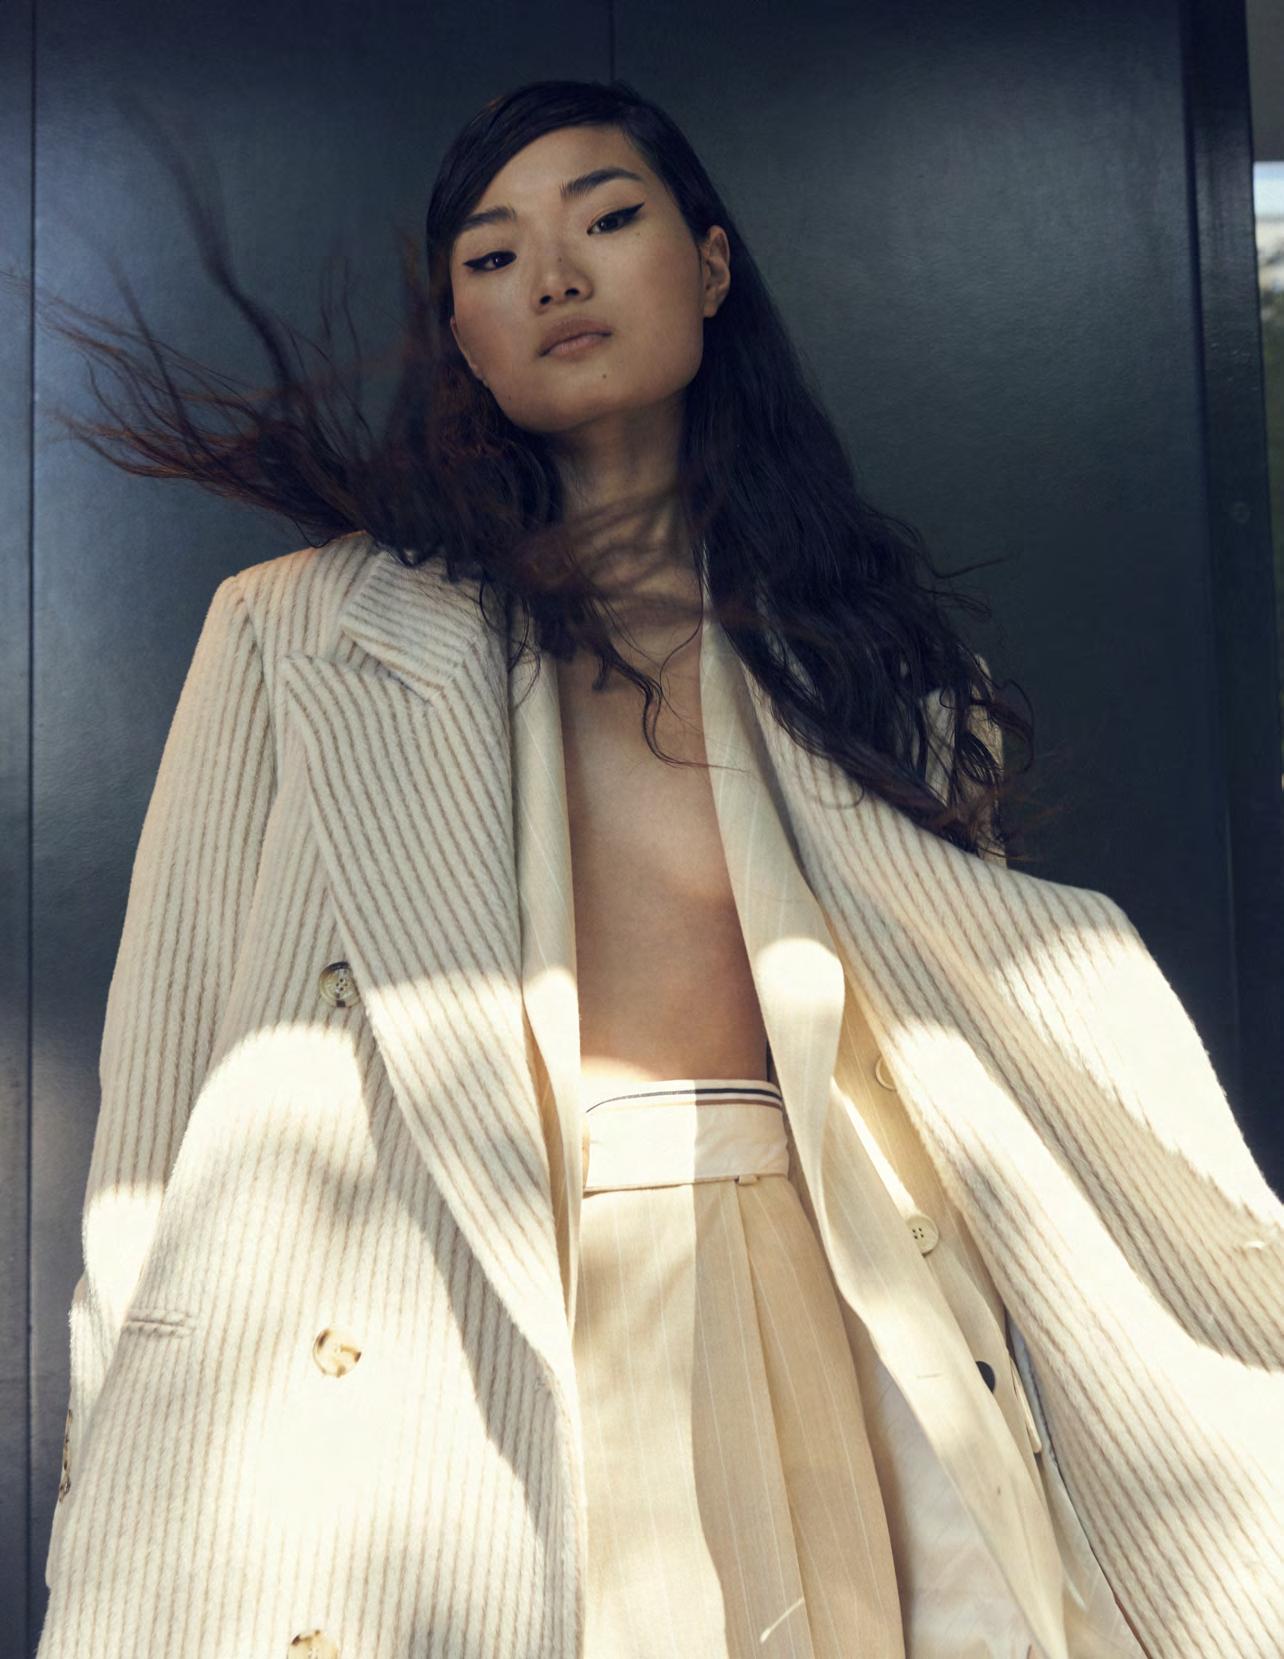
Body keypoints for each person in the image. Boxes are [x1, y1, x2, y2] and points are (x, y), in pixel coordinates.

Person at [29, 78, 1284, 1659]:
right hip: (447, 1313)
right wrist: (121, 1464)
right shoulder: (300, 633)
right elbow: (162, 1088)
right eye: (493, 258)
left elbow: (964, 1064)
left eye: (607, 219)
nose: (554, 277)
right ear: (461, 334)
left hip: (796, 1282)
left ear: (709, 264)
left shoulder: (873, 669)